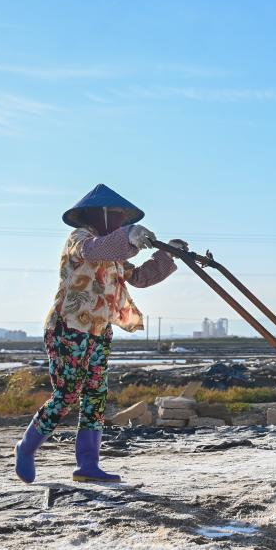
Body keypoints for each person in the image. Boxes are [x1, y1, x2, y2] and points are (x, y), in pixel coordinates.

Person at [14, 184, 187, 484]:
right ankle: (26, 447)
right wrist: (128, 237)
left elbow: (142, 277)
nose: (120, 222)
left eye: (123, 218)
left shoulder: (117, 257)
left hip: (98, 332)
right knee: (67, 394)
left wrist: (168, 256)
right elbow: (94, 250)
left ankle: (88, 465)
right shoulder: (79, 239)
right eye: (117, 217)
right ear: (100, 215)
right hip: (68, 328)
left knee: (95, 395)